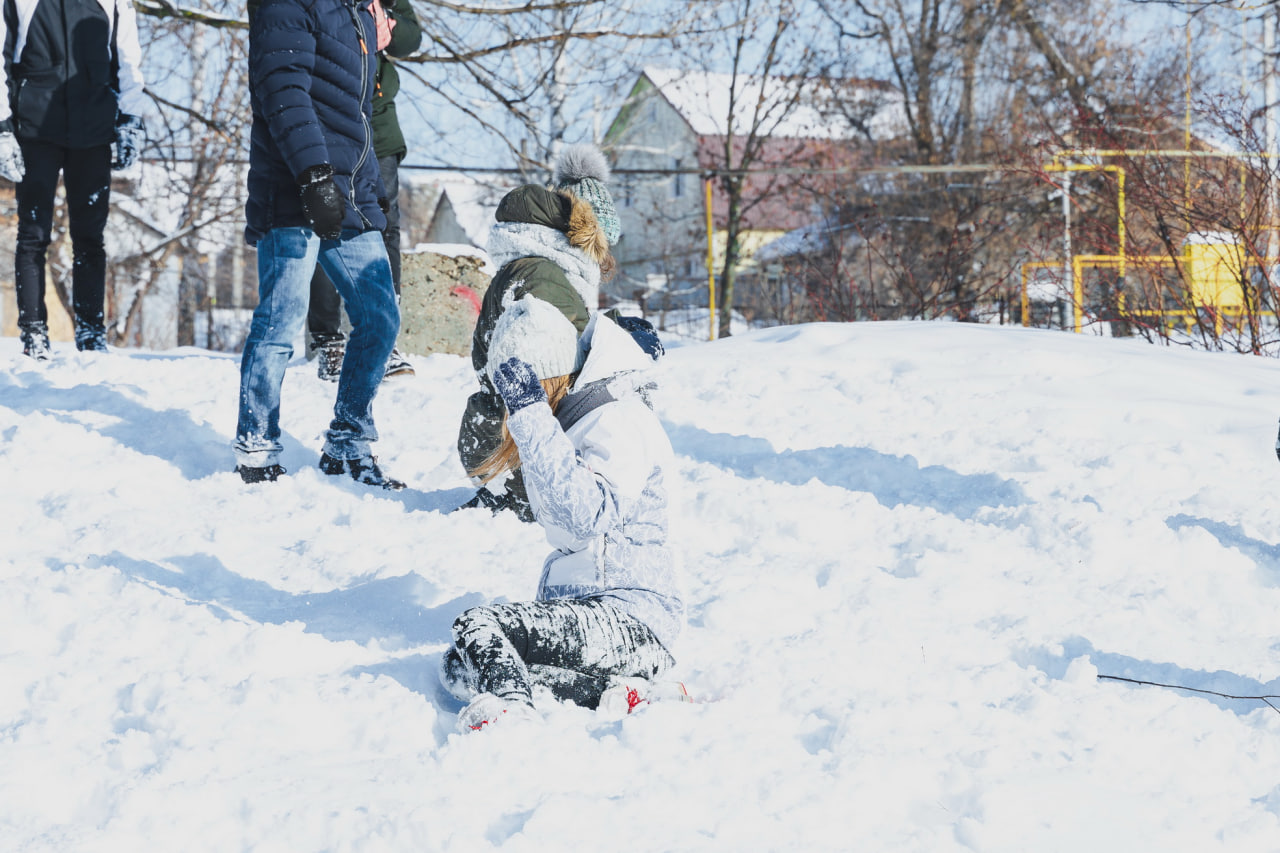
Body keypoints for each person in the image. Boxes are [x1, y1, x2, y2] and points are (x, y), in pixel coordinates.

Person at [440, 296, 686, 731]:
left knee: (480, 624)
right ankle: (624, 693)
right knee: (459, 664)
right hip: (593, 622)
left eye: (517, 390)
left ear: (545, 377)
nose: (510, 404)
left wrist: (532, 416)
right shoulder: (574, 424)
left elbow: (590, 514)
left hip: (630, 619)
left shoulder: (619, 418)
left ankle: (512, 710)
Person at [234, 0, 402, 489]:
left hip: (348, 192)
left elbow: (358, 114)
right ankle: (257, 445)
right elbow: (283, 89)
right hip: (294, 187)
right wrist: (313, 176)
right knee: (281, 320)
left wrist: (370, 191)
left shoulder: (352, 10)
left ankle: (348, 440)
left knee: (379, 316)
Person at [457, 143, 623, 521]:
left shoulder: (542, 274)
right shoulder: (544, 284)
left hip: (498, 454)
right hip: (520, 472)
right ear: (584, 235)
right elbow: (537, 398)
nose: (606, 259)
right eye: (603, 244)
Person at [0, 0, 147, 359]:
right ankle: (34, 333)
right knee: (33, 235)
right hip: (35, 127)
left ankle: (92, 333)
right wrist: (3, 126)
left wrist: (131, 117)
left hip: (94, 127)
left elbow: (128, 57)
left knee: (90, 237)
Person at [308, 0, 421, 383]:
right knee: (329, 222)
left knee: (385, 226)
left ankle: (384, 337)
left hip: (378, 124)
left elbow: (411, 37)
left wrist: (384, 21)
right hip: (328, 118)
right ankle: (328, 340)